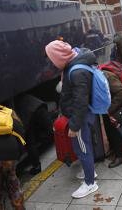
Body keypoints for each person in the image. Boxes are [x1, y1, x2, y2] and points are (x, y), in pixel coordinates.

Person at [45, 40, 98, 198]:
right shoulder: (74, 63)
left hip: (79, 118)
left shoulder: (76, 72)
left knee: (83, 149)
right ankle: (90, 171)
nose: (50, 62)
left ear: (59, 57)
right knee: (82, 148)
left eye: (51, 58)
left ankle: (90, 183)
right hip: (79, 116)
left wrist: (74, 127)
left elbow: (81, 103)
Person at [100, 68, 122, 168]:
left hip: (115, 107)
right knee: (109, 129)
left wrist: (110, 109)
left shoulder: (106, 76)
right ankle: (114, 149)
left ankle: (120, 156)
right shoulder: (99, 75)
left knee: (115, 131)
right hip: (108, 107)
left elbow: (120, 91)